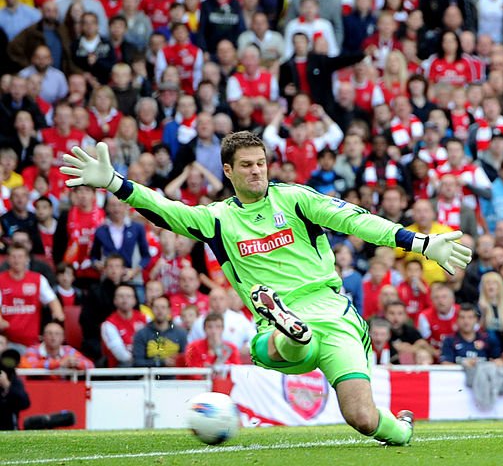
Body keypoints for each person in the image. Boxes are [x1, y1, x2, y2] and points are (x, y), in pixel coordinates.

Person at [60, 133, 471, 446]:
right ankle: (291, 329)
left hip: (331, 312)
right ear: (228, 171)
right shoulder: (217, 218)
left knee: (362, 419)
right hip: (274, 322)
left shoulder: (294, 199)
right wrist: (115, 182)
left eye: (261, 163)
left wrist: (420, 242)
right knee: (293, 344)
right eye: (247, 165)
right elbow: (168, 212)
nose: (257, 171)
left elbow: (356, 221)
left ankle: (400, 430)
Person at [132, 294, 188, 367]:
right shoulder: (141, 334)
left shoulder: (181, 333)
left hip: (174, 377)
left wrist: (178, 360)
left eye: (163, 307)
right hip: (150, 377)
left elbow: (186, 360)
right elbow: (137, 362)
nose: (160, 310)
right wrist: (161, 362)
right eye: (156, 307)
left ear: (169, 310)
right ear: (151, 309)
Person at [22, 321, 94, 370]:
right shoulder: (33, 350)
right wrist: (59, 363)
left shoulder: (68, 350)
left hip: (64, 389)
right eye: (49, 333)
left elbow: (90, 365)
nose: (53, 337)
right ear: (43, 337)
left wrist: (76, 363)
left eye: (57, 334)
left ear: (63, 338)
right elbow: (31, 365)